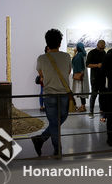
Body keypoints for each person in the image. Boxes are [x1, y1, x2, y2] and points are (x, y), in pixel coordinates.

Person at [32, 28, 72, 156]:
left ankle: (41, 139)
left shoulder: (42, 58)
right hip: (64, 93)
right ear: (60, 43)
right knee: (60, 119)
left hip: (49, 94)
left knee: (55, 122)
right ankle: (57, 149)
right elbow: (68, 72)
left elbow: (41, 74)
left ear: (47, 43)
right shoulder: (66, 56)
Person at [86, 40, 107, 119]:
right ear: (98, 44)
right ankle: (91, 111)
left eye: (104, 44)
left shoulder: (104, 53)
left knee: (102, 95)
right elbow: (87, 64)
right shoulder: (92, 52)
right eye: (101, 44)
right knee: (94, 95)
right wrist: (97, 65)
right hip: (94, 78)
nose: (102, 46)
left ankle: (102, 111)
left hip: (103, 77)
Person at [71, 42, 89, 112]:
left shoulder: (78, 55)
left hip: (80, 75)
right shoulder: (84, 54)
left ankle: (83, 106)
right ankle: (83, 106)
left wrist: (74, 53)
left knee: (81, 91)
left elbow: (73, 62)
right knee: (83, 91)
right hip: (84, 75)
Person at [38, 46, 49, 112]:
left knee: (47, 93)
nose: (49, 50)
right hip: (44, 77)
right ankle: (41, 106)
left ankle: (46, 106)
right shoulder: (43, 58)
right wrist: (41, 76)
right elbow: (39, 69)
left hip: (49, 78)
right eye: (48, 49)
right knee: (42, 92)